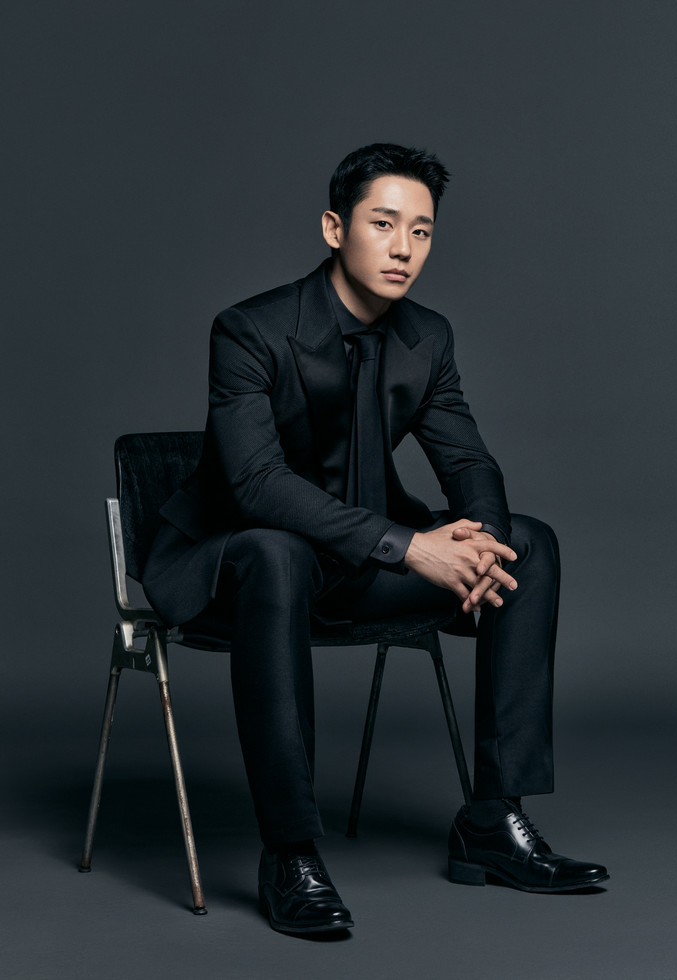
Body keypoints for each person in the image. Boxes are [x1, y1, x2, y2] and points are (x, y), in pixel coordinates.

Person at [143, 143, 608, 935]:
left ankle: (493, 818)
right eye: (384, 224)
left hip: (355, 564)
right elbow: (257, 486)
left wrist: (484, 551)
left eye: (421, 231)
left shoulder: (428, 338)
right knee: (277, 552)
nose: (403, 248)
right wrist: (412, 547)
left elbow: (469, 463)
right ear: (335, 228)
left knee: (530, 545)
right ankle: (289, 851)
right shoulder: (250, 330)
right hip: (239, 568)